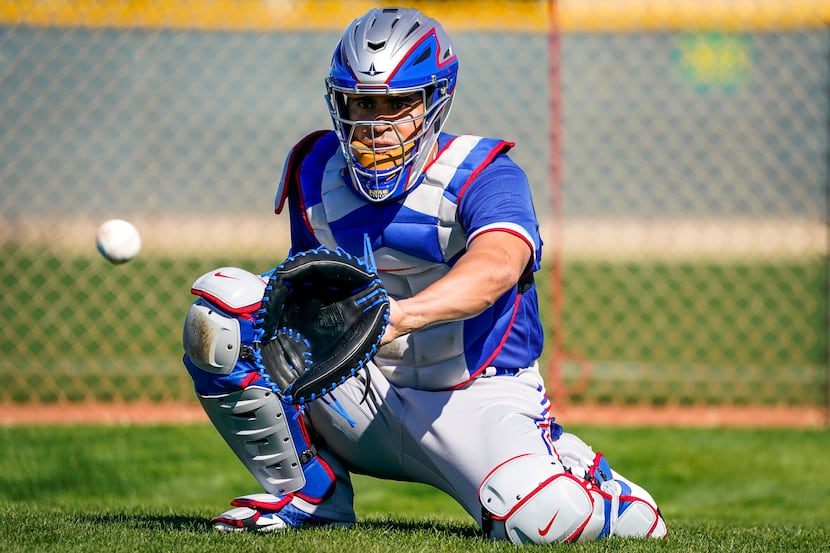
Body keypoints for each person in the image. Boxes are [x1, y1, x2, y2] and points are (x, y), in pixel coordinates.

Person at [181, 7, 667, 544]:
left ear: (436, 100)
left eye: (397, 105)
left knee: (541, 520)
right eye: (362, 104)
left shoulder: (484, 172)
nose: (376, 125)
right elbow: (303, 292)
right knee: (223, 309)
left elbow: (500, 264)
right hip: (360, 392)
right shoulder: (314, 169)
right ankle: (308, 492)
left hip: (474, 397)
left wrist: (399, 316)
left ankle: (596, 488)